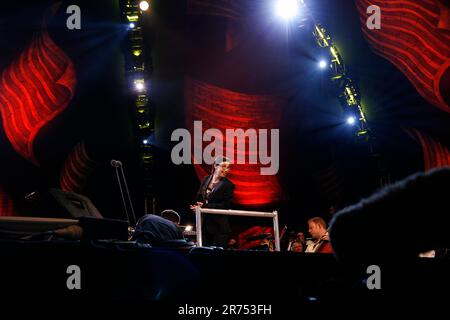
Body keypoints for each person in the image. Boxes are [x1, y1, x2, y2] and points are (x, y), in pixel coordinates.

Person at [190, 156, 235, 247]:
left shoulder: (228, 185)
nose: (226, 170)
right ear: (215, 165)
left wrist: (206, 206)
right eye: (223, 166)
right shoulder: (206, 179)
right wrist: (197, 206)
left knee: (217, 256)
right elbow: (199, 197)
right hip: (204, 225)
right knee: (204, 253)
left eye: (228, 167)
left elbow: (226, 205)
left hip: (219, 227)